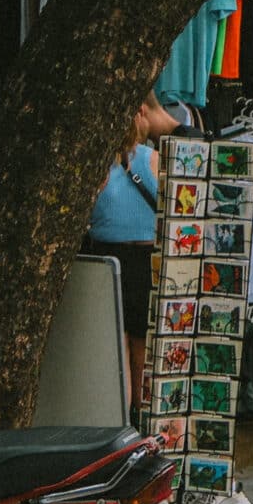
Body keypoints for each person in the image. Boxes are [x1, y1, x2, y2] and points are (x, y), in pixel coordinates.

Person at [87, 105, 160, 412]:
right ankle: (142, 416)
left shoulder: (96, 164)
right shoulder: (153, 159)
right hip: (146, 259)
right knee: (142, 344)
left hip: (106, 259)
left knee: (118, 343)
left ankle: (122, 419)